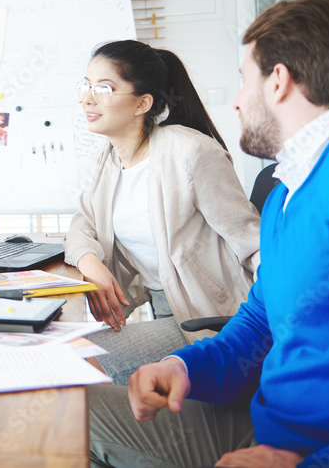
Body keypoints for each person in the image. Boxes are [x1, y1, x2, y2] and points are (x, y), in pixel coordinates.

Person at [88, 0, 329, 468]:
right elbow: (259, 325)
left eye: (245, 78)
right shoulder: (290, 188)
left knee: (65, 416)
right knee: (67, 408)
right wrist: (184, 367)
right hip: (269, 421)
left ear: (280, 80)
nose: (237, 100)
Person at [65, 40, 260, 385]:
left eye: (104, 88)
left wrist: (282, 324)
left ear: (143, 103)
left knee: (78, 363)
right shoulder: (108, 159)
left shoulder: (190, 153)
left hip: (211, 317)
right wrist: (90, 264)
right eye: (86, 85)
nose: (87, 98)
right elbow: (82, 225)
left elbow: (253, 243)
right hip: (163, 308)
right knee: (70, 357)